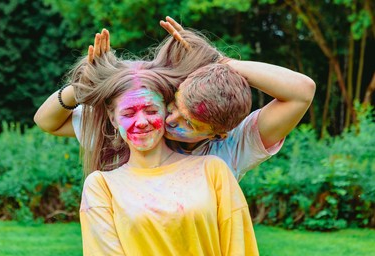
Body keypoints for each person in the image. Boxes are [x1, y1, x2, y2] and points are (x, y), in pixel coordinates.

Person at [34, 17, 316, 181]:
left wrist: (220, 60)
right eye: (174, 106)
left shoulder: (234, 146)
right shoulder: (142, 129)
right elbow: (46, 121)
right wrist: (83, 86)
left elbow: (301, 91)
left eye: (189, 124)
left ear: (217, 135)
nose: (170, 120)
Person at [72, 51, 259, 256]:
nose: (141, 121)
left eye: (151, 110)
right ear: (113, 119)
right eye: (128, 113)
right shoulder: (101, 186)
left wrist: (219, 60)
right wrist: (88, 78)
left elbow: (240, 254)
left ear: (166, 110)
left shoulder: (213, 170)